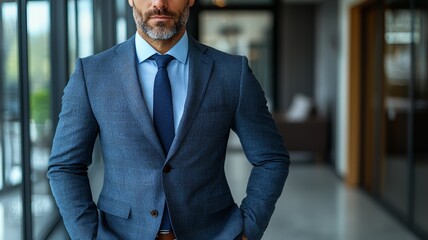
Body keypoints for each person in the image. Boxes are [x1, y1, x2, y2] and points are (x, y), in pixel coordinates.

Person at [47, 0, 290, 239]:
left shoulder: (231, 73)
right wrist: (88, 235)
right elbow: (64, 166)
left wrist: (249, 230)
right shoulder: (92, 74)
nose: (159, 3)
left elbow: (271, 158)